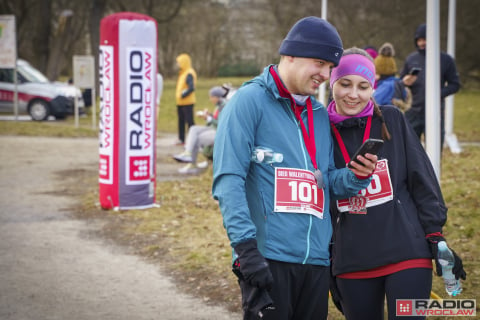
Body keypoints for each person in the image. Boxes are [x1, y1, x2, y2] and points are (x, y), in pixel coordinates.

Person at [212, 17, 378, 320]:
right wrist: (246, 250)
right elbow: (228, 180)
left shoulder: (317, 112)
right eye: (320, 63)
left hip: (315, 261)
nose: (326, 75)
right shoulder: (249, 102)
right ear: (290, 54)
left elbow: (325, 181)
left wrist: (356, 175)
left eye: (330, 67)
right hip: (267, 258)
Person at [327, 48, 466, 320]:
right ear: (332, 82)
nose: (353, 94)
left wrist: (435, 236)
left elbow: (421, 179)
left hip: (407, 253)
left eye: (363, 86)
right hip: (352, 260)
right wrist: (327, 260)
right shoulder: (318, 128)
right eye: (345, 84)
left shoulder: (390, 118)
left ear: (373, 87)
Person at [400, 23, 460, 148]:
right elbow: (399, 83)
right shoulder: (411, 59)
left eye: (425, 39)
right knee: (409, 150)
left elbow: (455, 84)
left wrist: (438, 94)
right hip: (412, 112)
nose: (422, 43)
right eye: (419, 40)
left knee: (434, 150)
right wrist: (405, 83)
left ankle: (434, 168)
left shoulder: (445, 59)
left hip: (435, 112)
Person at [173, 85, 229, 174]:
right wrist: (208, 116)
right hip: (214, 129)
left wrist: (208, 118)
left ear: (217, 97)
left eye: (211, 97)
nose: (210, 99)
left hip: (220, 133)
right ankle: (187, 153)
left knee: (197, 139)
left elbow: (221, 123)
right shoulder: (219, 105)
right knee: (193, 129)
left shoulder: (224, 106)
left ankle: (192, 164)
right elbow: (216, 119)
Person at [373, 42, 412, 112]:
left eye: (375, 71)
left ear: (381, 72)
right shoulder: (397, 82)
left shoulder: (386, 86)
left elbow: (372, 103)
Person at [175, 53, 197, 145]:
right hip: (180, 102)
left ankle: (194, 140)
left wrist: (183, 94)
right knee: (181, 121)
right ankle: (181, 139)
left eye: (179, 62)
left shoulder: (189, 73)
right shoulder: (182, 73)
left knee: (190, 122)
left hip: (187, 102)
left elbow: (191, 87)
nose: (177, 64)